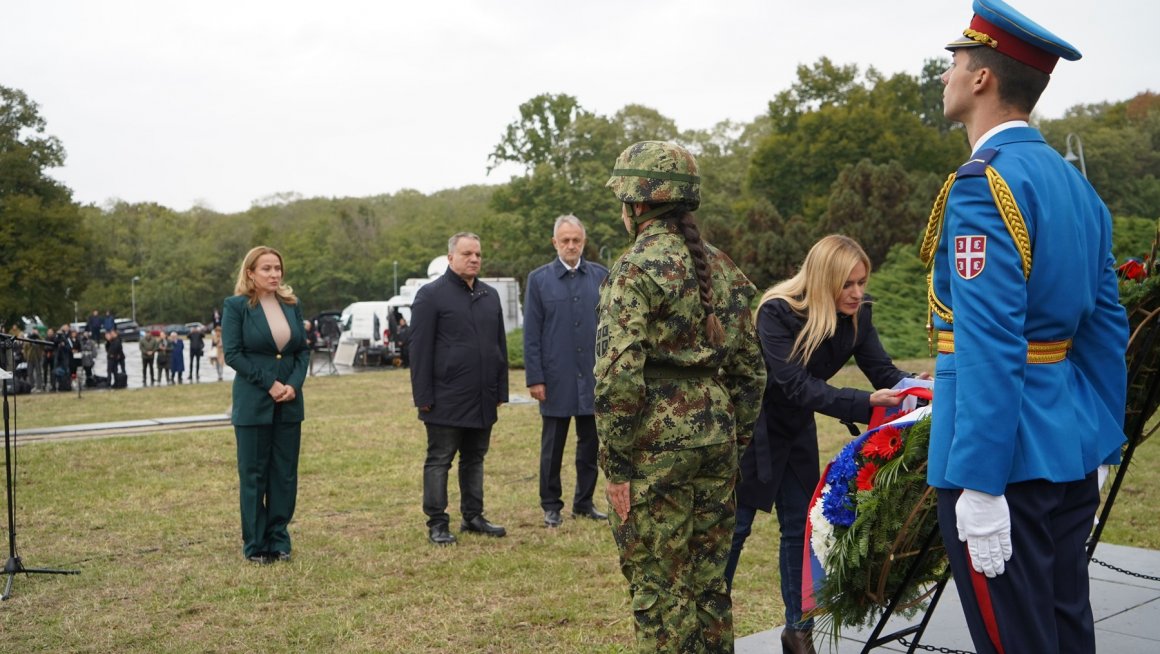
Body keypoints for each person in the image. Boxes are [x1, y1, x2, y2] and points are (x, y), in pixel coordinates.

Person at [922, 3, 1128, 652]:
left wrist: (980, 484)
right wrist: (1102, 441)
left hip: (1001, 461)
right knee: (1066, 628)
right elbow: (1104, 329)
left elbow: (989, 340)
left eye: (954, 64)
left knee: (1016, 639)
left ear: (982, 79)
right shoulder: (1074, 188)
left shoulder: (984, 185)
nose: (947, 76)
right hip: (1067, 445)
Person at [596, 141, 765, 652]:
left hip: (654, 450)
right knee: (709, 588)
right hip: (715, 439)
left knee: (659, 589)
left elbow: (617, 378)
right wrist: (732, 443)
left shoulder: (633, 269)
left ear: (638, 203)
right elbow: (751, 371)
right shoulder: (722, 267)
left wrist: (617, 467)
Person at [723, 235, 922, 653]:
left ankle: (798, 633)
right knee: (734, 531)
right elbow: (794, 384)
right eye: (847, 284)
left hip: (796, 431)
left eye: (862, 282)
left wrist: (923, 388)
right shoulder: (777, 312)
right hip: (752, 431)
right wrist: (864, 403)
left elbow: (882, 371)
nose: (857, 293)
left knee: (800, 530)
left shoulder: (858, 316)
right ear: (823, 280)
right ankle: (704, 632)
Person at [409, 232, 509, 546]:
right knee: (440, 460)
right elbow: (419, 351)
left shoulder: (490, 296)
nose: (474, 259)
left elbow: (499, 347)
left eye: (478, 254)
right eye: (467, 254)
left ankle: (473, 516)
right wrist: (423, 397)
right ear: (451, 257)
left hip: (482, 397)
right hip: (445, 398)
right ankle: (437, 523)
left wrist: (500, 391)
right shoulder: (431, 295)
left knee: (474, 459)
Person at [222, 246, 311, 564]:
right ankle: (256, 544)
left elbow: (302, 351)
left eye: (277, 268)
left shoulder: (291, 304)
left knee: (284, 474)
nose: (274, 274)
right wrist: (269, 384)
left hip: (288, 401)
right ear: (250, 273)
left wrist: (293, 385)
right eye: (266, 269)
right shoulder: (236, 307)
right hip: (254, 402)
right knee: (254, 474)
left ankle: (279, 539)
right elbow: (233, 354)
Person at [523, 214, 609, 528]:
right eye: (565, 240)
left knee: (590, 446)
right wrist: (535, 377)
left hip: (593, 379)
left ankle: (584, 502)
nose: (571, 245)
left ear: (583, 242)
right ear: (555, 243)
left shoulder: (601, 276)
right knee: (552, 448)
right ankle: (551, 504)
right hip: (555, 379)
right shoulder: (539, 279)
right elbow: (531, 333)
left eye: (576, 240)